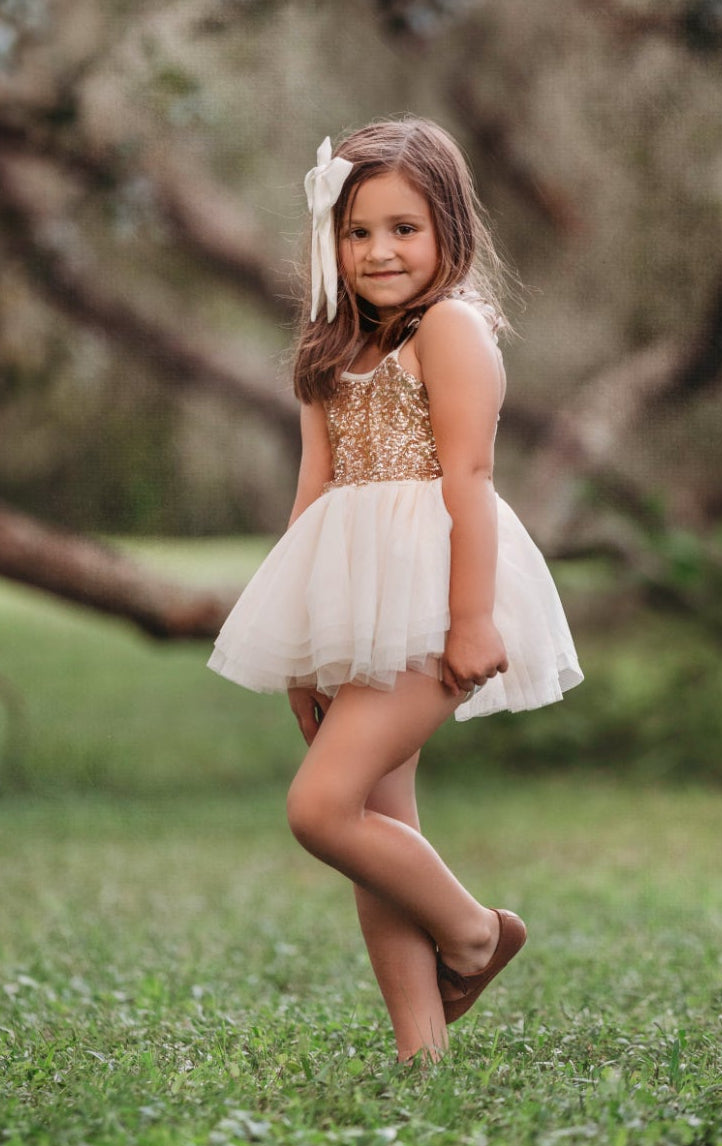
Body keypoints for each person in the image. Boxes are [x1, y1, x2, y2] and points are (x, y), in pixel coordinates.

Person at [208, 117, 583, 1064]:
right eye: (358, 229)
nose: (378, 251)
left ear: (448, 230)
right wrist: (298, 647)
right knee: (378, 821)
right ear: (330, 238)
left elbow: (469, 478)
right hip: (348, 602)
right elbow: (313, 493)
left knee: (320, 810)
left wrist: (470, 619)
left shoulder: (449, 329)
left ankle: (474, 934)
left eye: (403, 228)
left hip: (431, 599)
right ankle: (422, 1054)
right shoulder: (328, 348)